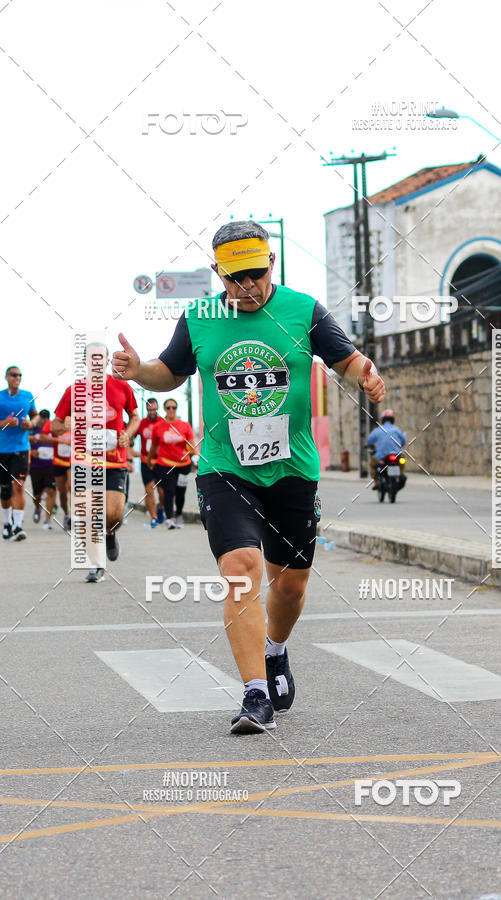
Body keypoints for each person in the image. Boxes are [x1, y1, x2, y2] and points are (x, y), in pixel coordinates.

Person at [111, 220, 385, 734]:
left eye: (255, 276)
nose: (247, 287)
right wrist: (137, 368)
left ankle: (276, 649)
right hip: (225, 466)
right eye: (235, 279)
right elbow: (169, 372)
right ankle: (254, 693)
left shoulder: (303, 311)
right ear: (218, 273)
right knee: (241, 567)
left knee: (292, 586)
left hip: (292, 470)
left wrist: (366, 374)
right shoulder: (200, 318)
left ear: (271, 266)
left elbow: (345, 360)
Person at [53, 343, 140, 583]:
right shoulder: (74, 391)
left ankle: (110, 535)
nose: (97, 362)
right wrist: (65, 425)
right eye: (92, 358)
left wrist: (129, 433)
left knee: (113, 516)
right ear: (85, 361)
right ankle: (96, 564)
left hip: (114, 462)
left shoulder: (121, 386)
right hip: (84, 462)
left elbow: (135, 416)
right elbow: (55, 424)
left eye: (101, 357)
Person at [0, 365, 36, 541]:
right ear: (6, 377)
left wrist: (31, 424)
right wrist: (4, 422)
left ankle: (18, 527)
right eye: (14, 375)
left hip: (21, 448)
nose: (17, 378)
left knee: (19, 485)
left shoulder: (27, 396)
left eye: (20, 375)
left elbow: (35, 416)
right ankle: (7, 523)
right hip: (2, 450)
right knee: (5, 490)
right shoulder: (0, 397)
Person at [147, 399, 196, 530]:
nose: (171, 410)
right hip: (165, 464)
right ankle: (170, 518)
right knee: (169, 491)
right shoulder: (159, 427)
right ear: (164, 409)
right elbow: (154, 446)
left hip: (184, 465)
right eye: (168, 408)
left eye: (173, 407)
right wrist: (150, 459)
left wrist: (197, 457)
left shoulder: (185, 425)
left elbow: (192, 445)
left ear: (176, 409)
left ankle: (179, 514)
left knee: (181, 492)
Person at [135, 397, 163, 526]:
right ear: (146, 409)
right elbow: (131, 438)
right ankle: (154, 517)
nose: (152, 412)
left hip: (160, 462)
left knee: (162, 492)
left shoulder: (162, 422)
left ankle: (160, 508)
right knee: (149, 490)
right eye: (150, 409)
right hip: (145, 461)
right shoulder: (142, 423)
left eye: (154, 410)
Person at [29, 409, 56, 530]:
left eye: (46, 419)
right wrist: (30, 451)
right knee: (37, 495)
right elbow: (22, 441)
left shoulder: (53, 428)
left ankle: (47, 520)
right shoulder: (32, 429)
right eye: (42, 419)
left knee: (51, 490)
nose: (44, 421)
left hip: (51, 464)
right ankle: (37, 507)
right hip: (36, 465)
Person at [367, 408, 407, 487]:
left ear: (382, 420)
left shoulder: (378, 430)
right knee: (403, 461)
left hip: (382, 457)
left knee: (372, 463)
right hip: (396, 455)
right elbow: (403, 441)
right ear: (392, 420)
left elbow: (369, 441)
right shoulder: (397, 430)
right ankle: (401, 474)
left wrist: (368, 445)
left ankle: (376, 483)